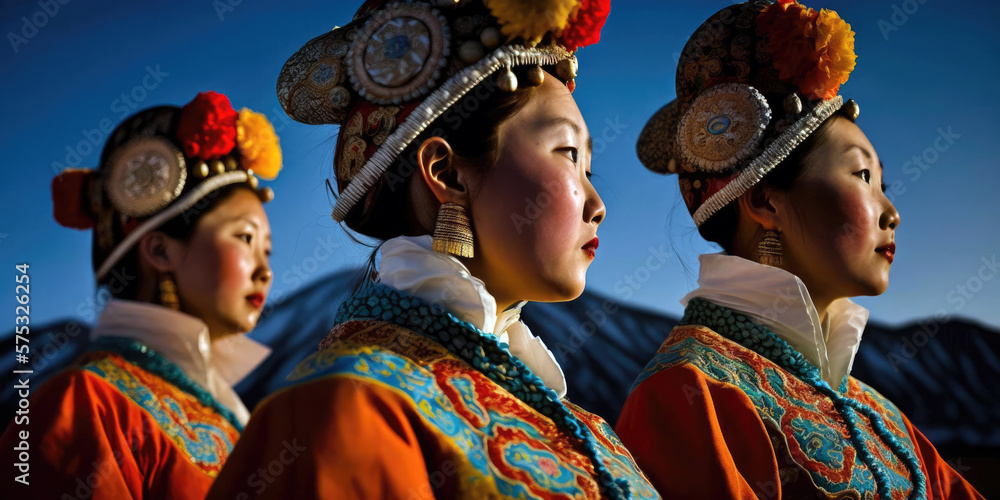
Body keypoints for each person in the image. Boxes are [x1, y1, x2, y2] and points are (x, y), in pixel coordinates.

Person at [207, 1, 659, 498]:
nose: (597, 204)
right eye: (568, 156)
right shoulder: (347, 403)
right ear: (445, 174)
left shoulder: (584, 426)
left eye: (588, 169)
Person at [615, 1, 985, 498]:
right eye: (862, 177)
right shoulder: (687, 392)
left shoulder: (881, 417)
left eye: (883, 182)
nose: (891, 211)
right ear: (766, 201)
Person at [1, 91, 283, 499]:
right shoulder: (84, 404)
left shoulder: (232, 415)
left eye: (267, 250)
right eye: (245, 238)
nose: (265, 270)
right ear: (161, 250)